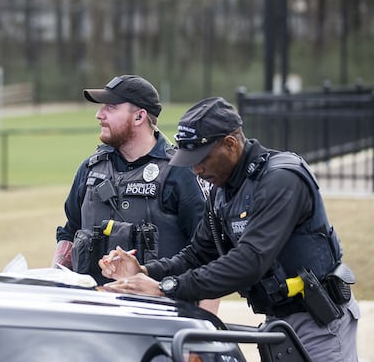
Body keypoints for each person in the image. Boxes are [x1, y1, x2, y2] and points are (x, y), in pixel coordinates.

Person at [99, 96, 360, 361]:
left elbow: (251, 260)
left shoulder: (281, 179)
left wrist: (166, 287)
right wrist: (145, 271)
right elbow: (198, 254)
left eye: (202, 159)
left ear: (230, 144)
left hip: (318, 322)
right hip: (280, 321)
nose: (196, 169)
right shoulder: (224, 189)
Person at [52, 75, 219, 314]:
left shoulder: (180, 173)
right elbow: (69, 233)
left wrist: (205, 326)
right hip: (92, 316)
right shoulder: (89, 169)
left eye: (111, 107)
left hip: (160, 318)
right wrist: (55, 290)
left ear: (139, 116)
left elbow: (209, 254)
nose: (100, 115)